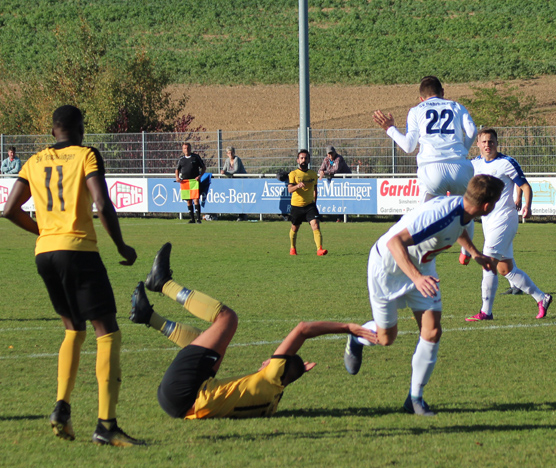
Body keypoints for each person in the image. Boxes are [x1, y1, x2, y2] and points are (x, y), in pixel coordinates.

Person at [2, 105, 143, 446]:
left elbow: (9, 210)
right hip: (78, 251)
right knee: (107, 331)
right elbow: (102, 203)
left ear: (53, 131)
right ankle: (106, 426)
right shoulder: (86, 155)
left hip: (45, 254)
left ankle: (62, 408)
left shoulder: (33, 161)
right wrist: (123, 247)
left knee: (72, 328)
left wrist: (43, 231)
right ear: (81, 130)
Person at [129, 243, 378, 419]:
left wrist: (347, 327)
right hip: (182, 405)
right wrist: (298, 369)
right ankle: (148, 316)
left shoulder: (272, 378)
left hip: (183, 393)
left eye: (273, 360)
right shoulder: (272, 402)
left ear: (279, 366)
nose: (266, 360)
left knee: (227, 319)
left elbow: (303, 330)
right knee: (205, 345)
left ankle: (163, 283)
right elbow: (288, 372)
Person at [343, 175, 504, 416]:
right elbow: (394, 243)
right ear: (487, 206)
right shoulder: (441, 215)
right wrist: (417, 278)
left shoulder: (463, 210)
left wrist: (475, 254)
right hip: (388, 268)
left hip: (422, 268)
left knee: (432, 331)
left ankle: (415, 398)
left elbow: (457, 229)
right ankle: (357, 338)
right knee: (387, 338)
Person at [373, 75, 477, 264]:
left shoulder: (416, 110)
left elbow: (409, 146)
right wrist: (462, 150)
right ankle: (466, 252)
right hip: (459, 167)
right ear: (443, 93)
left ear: (421, 98)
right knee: (467, 209)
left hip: (431, 168)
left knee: (423, 214)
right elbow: (472, 131)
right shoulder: (456, 106)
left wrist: (390, 128)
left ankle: (418, 254)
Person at [465, 128, 552, 322]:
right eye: (484, 142)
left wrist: (527, 205)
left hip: (505, 218)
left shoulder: (506, 163)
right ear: (478, 144)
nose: (488, 145)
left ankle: (485, 312)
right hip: (487, 221)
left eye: (491, 141)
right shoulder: (473, 164)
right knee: (506, 269)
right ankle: (541, 298)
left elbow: (525, 185)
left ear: (497, 143)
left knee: (488, 263)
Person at [287, 149, 327, 256]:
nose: (303, 160)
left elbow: (315, 189)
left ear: (309, 160)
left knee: (315, 224)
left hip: (310, 205)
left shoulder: (313, 174)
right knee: (295, 227)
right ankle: (293, 248)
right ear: (298, 160)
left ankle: (319, 249)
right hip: (297, 206)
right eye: (301, 158)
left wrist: (314, 202)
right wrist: (297, 186)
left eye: (305, 158)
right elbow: (290, 189)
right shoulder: (293, 174)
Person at [175, 142, 206, 224]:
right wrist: (177, 177)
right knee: (188, 200)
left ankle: (198, 219)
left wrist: (200, 176)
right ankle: (192, 219)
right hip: (185, 182)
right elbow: (177, 169)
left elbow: (203, 167)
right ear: (182, 149)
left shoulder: (195, 157)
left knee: (196, 199)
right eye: (185, 148)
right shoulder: (181, 159)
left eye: (188, 148)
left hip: (194, 181)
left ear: (190, 148)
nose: (186, 150)